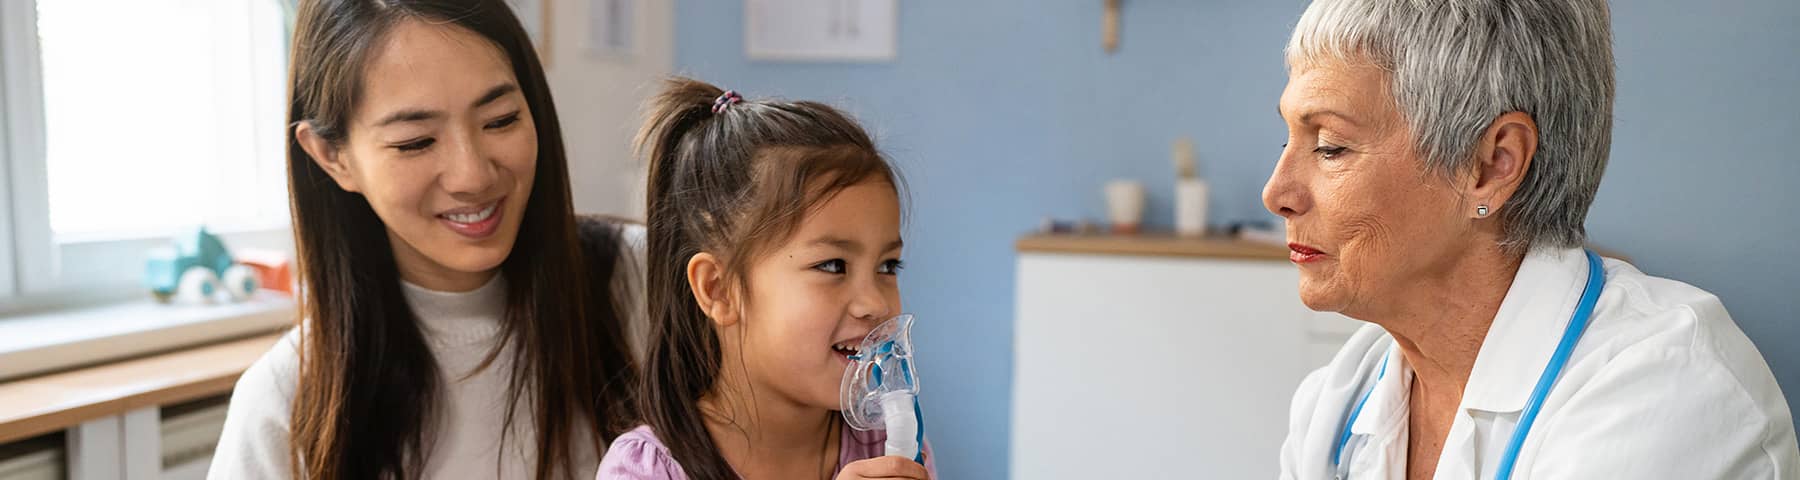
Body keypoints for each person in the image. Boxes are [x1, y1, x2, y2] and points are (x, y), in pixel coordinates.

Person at [1267, 0, 1800, 478]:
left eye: (1331, 146)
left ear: (1492, 166)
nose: (1277, 193)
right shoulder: (1339, 398)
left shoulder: (1671, 389)